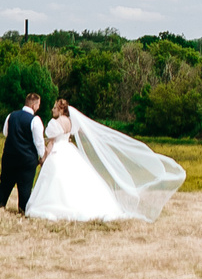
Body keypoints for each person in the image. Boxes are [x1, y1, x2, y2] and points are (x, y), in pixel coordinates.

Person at [25, 95, 186, 222]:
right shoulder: (70, 122)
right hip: (69, 150)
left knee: (56, 179)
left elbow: (51, 143)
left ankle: (57, 205)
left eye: (54, 107)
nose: (52, 110)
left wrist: (43, 157)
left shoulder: (55, 123)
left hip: (58, 152)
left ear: (60, 109)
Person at [0, 90, 45, 212]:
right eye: (38, 105)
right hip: (26, 159)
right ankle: (22, 210)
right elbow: (39, 142)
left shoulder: (11, 116)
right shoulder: (35, 120)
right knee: (24, 187)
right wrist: (42, 156)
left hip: (9, 156)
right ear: (34, 105)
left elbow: (5, 133)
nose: (38, 107)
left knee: (5, 183)